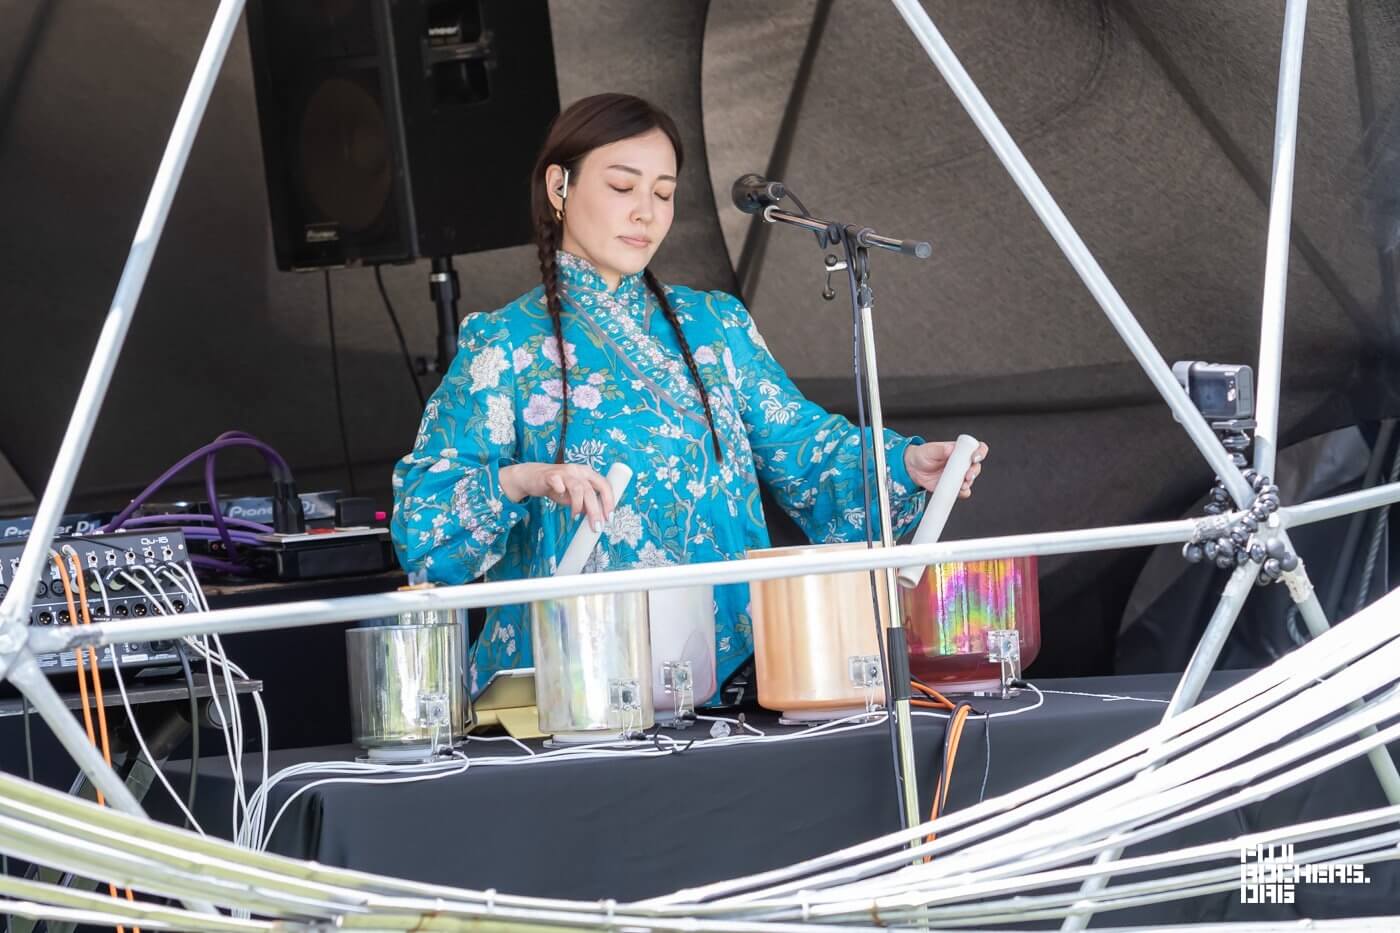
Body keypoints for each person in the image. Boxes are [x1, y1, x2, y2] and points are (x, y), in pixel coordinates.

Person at [391, 93, 988, 696]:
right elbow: (424, 527)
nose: (645, 213)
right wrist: (525, 479)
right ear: (559, 187)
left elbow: (805, 450)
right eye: (622, 187)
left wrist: (904, 465)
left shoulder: (714, 326)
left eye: (663, 192)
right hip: (578, 690)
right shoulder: (505, 345)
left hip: (736, 674)